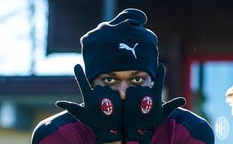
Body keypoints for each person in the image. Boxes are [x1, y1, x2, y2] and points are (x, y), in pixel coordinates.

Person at [31, 8, 214, 144]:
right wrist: (108, 137)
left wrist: (139, 135)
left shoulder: (189, 130)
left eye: (137, 79)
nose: (124, 92)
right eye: (110, 80)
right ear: (91, 83)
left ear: (153, 80)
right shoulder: (57, 133)